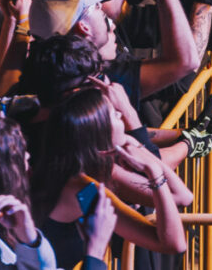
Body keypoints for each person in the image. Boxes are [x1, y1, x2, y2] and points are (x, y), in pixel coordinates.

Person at [32, 88, 187, 268]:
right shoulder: (82, 189)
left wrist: (143, 151)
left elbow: (184, 197)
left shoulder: (67, 171)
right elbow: (174, 243)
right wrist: (153, 170)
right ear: (100, 132)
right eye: (114, 114)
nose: (121, 114)